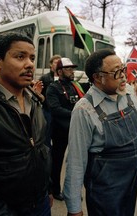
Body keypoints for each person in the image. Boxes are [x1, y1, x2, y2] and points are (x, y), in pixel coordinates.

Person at [0, 32, 52, 215]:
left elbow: (41, 149)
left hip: (41, 204)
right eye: (20, 56)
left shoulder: (35, 102)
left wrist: (47, 188)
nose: (30, 64)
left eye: (32, 57)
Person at [63, 49, 137, 216]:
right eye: (116, 72)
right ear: (97, 77)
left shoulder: (129, 92)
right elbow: (76, 161)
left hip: (131, 181)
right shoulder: (84, 109)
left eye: (123, 69)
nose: (123, 76)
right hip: (105, 189)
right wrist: (74, 207)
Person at [46, 57, 85, 201]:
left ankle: (73, 191)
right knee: (57, 162)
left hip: (76, 130)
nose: (72, 71)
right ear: (60, 71)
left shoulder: (75, 86)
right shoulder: (53, 87)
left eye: (72, 68)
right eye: (68, 69)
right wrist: (76, 113)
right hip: (60, 132)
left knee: (76, 163)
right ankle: (55, 190)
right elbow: (55, 109)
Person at [39, 54, 61, 148]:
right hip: (47, 110)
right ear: (51, 65)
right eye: (56, 62)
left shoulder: (62, 78)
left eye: (59, 63)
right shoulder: (45, 78)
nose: (58, 64)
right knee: (47, 133)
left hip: (58, 111)